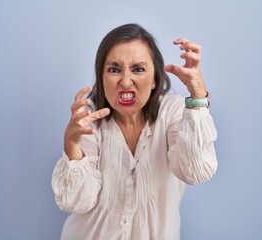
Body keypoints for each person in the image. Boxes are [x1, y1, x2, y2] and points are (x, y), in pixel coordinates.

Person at [51, 23, 218, 240]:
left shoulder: (173, 111)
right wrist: (71, 145)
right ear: (102, 77)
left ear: (155, 79)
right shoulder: (89, 119)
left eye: (138, 69)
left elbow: (194, 172)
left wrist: (197, 97)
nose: (125, 81)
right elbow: (76, 201)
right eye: (114, 69)